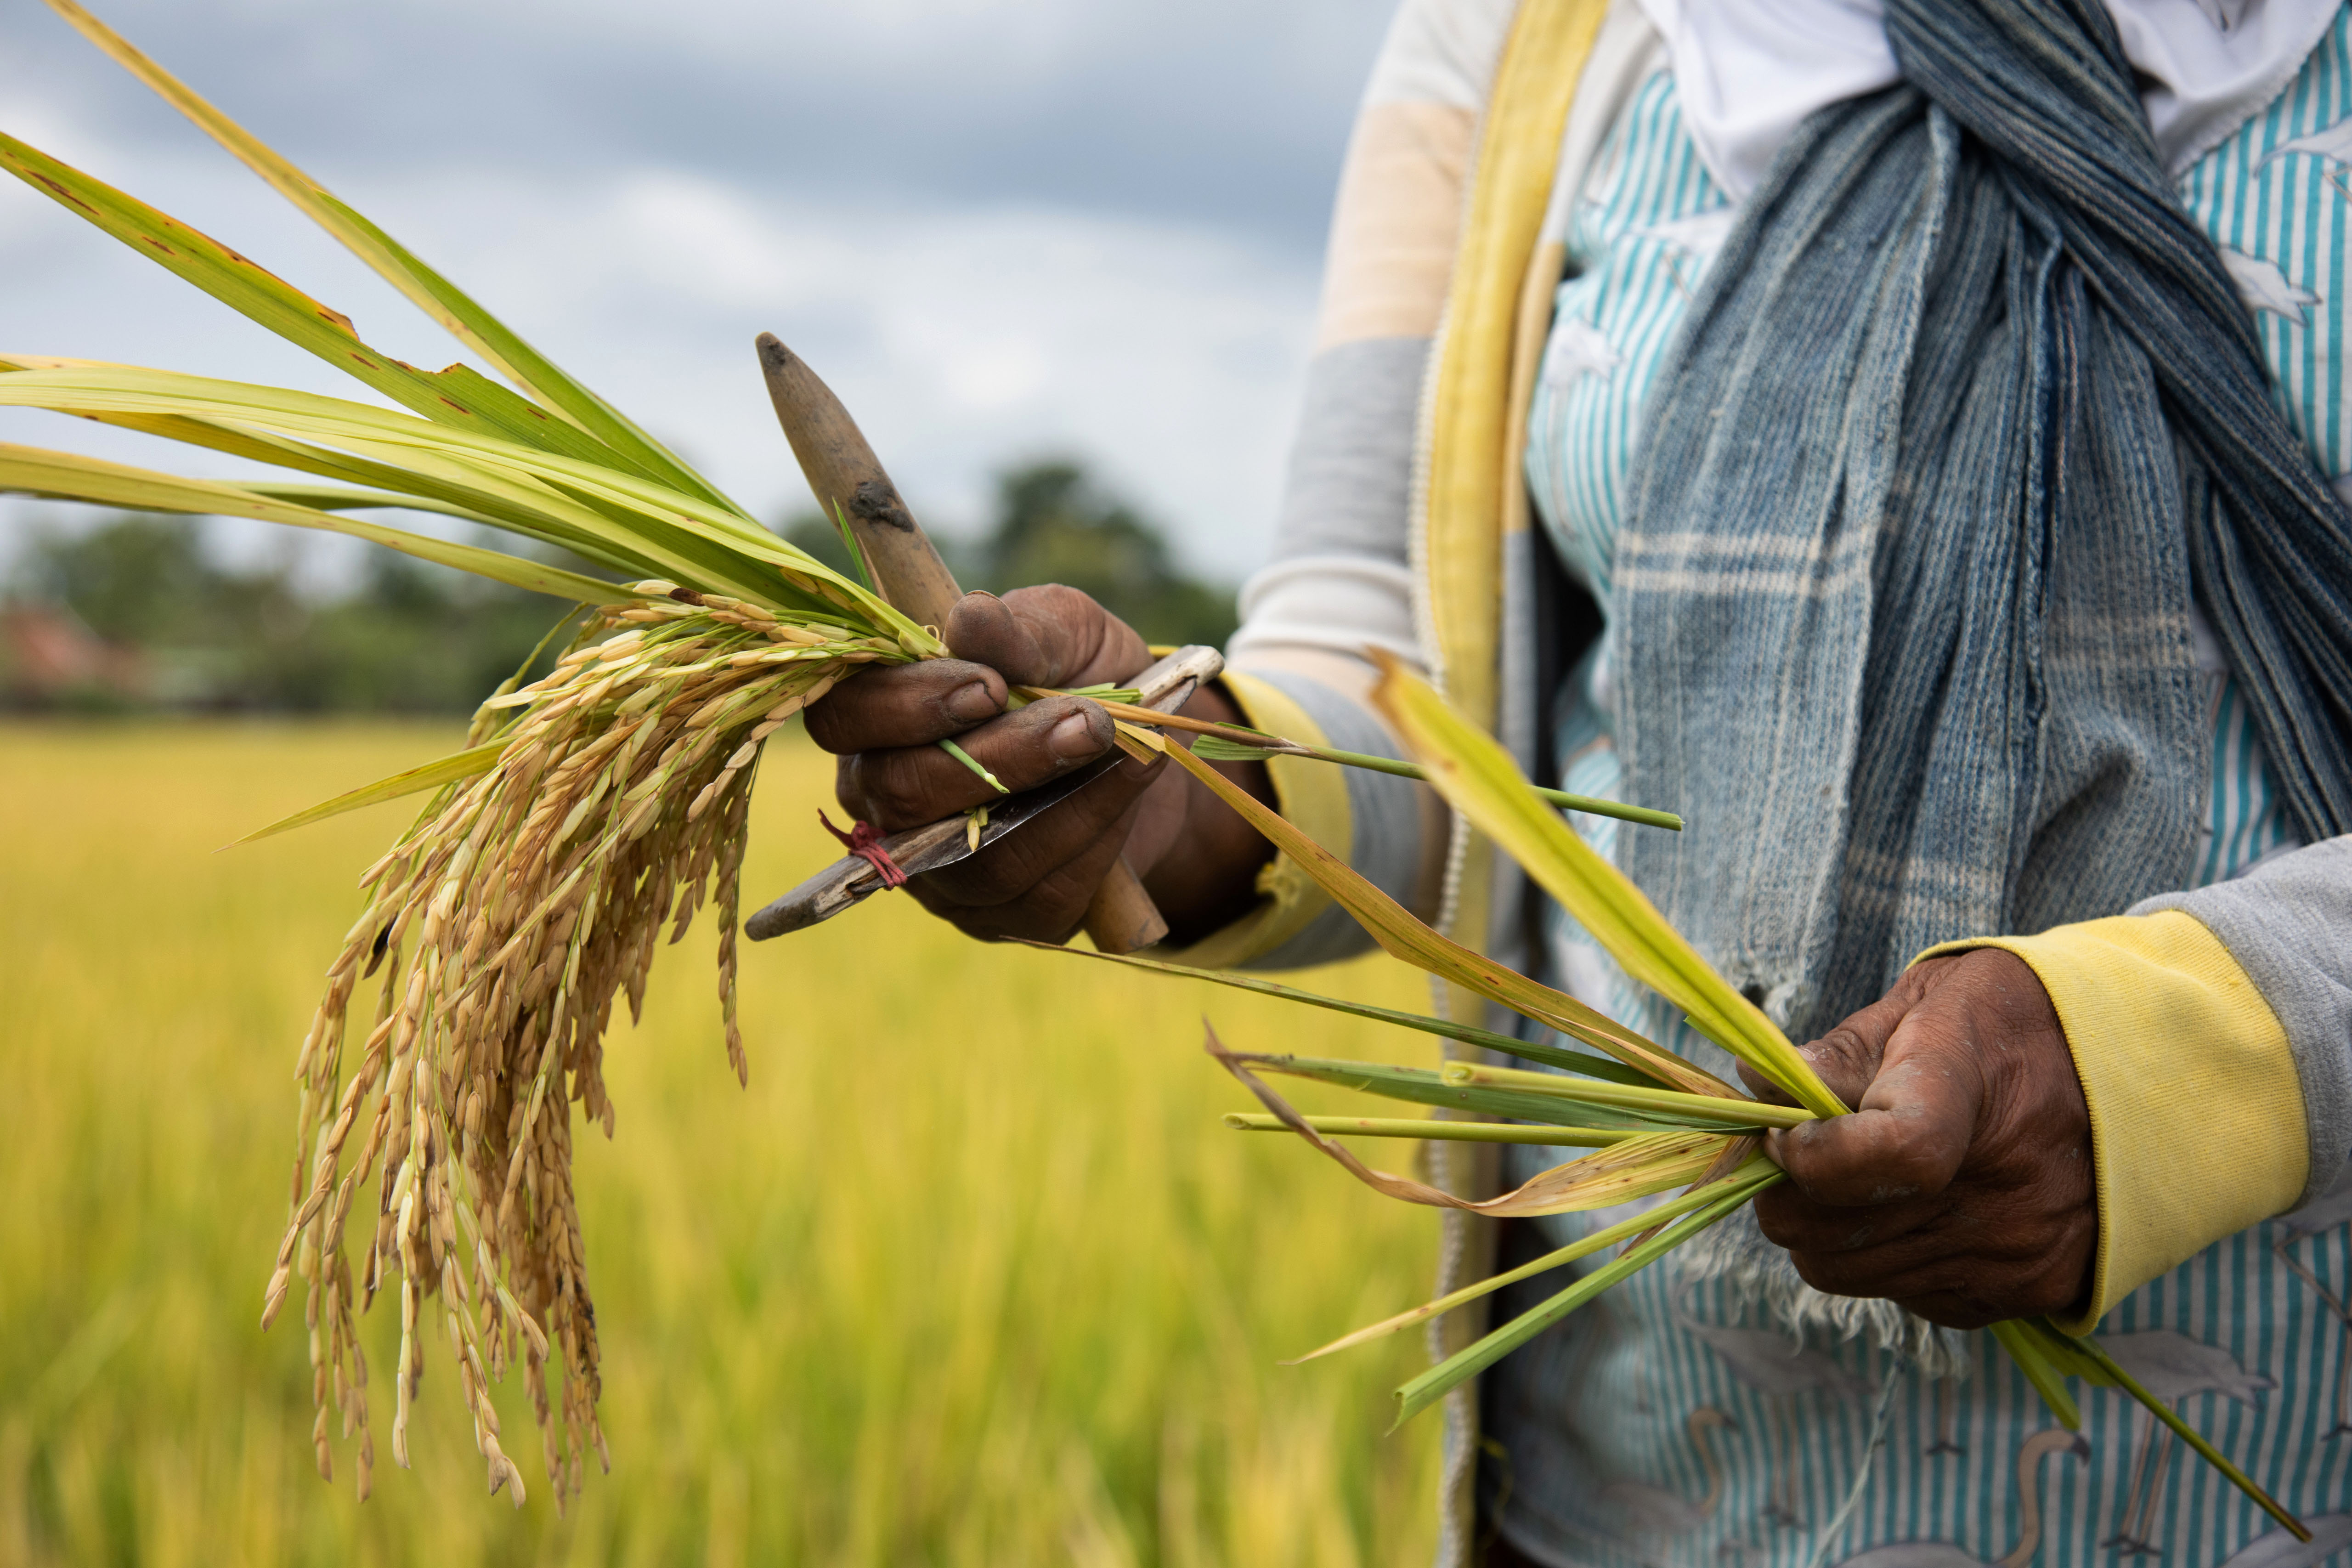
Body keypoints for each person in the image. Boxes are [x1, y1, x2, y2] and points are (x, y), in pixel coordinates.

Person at [804, 0, 2352, 1563]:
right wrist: (1163, 782)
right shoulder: (1528, 32)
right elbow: (1401, 685)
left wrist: (2188, 1063)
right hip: (1632, 1491)